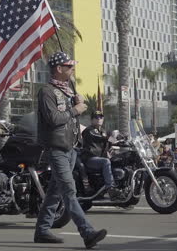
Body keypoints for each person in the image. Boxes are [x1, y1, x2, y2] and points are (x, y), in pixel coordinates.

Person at [34, 51, 106, 249]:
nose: (73, 69)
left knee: (55, 192)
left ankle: (42, 230)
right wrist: (76, 109)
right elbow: (54, 119)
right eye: (69, 66)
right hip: (56, 148)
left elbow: (68, 118)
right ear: (59, 69)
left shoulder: (67, 91)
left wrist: (75, 103)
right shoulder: (46, 91)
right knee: (69, 190)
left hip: (71, 149)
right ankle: (87, 233)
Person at [81, 110, 122, 200]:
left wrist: (122, 139)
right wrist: (110, 138)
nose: (99, 119)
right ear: (92, 120)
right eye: (96, 117)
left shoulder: (103, 131)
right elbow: (100, 138)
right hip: (90, 159)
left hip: (99, 158)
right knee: (106, 162)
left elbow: (111, 140)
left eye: (101, 117)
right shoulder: (89, 130)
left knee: (119, 160)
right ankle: (110, 188)